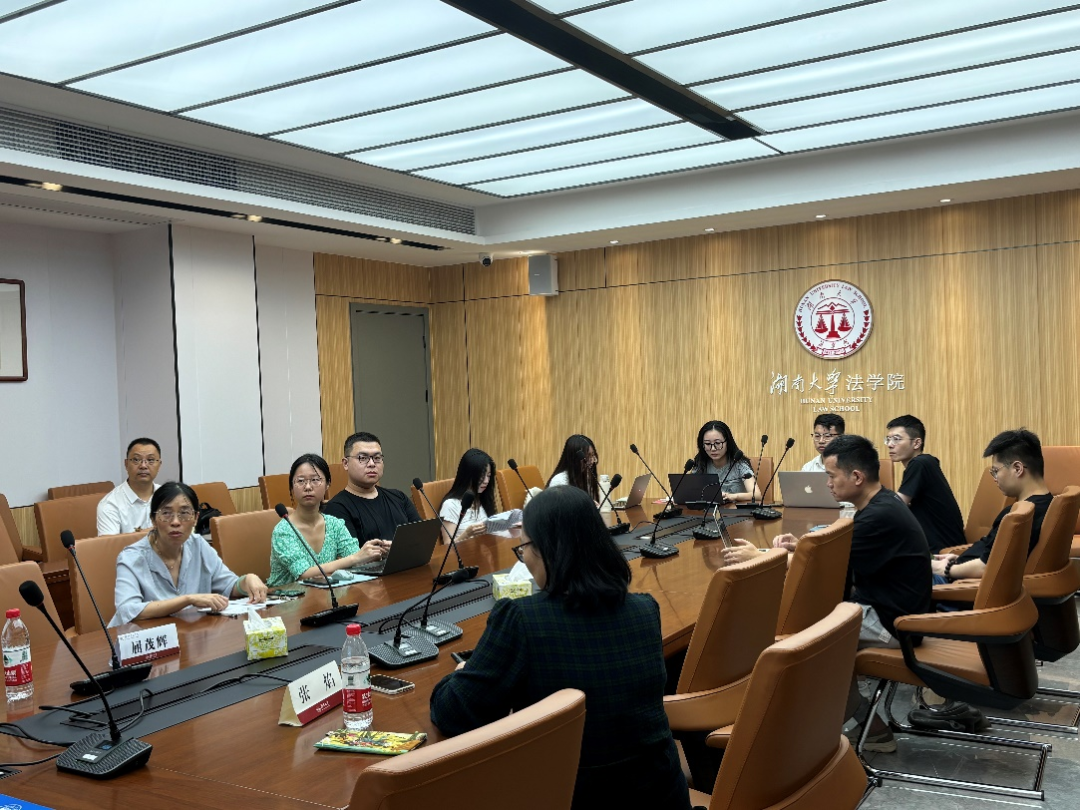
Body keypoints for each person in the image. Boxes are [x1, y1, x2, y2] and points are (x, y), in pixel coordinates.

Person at [429, 487, 690, 809]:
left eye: (523, 547)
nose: (524, 558)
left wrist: (463, 672)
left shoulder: (522, 619)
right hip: (661, 796)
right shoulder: (645, 610)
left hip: (570, 797)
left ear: (546, 549)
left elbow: (456, 714)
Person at [750, 435, 930, 752]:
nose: (828, 484)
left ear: (856, 477)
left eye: (831, 476)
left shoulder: (879, 516)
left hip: (893, 624)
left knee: (798, 642)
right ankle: (862, 726)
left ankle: (839, 732)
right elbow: (836, 552)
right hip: (887, 611)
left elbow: (820, 565)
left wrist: (758, 556)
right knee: (804, 625)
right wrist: (802, 545)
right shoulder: (881, 503)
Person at [110, 482, 267, 626]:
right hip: (145, 640)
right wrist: (187, 600)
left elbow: (228, 585)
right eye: (166, 513)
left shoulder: (198, 545)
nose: (176, 522)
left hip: (188, 634)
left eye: (184, 513)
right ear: (153, 519)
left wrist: (247, 580)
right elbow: (127, 611)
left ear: (195, 518)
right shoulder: (132, 557)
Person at [933, 429, 1053, 583]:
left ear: (1018, 469)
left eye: (996, 471)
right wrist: (959, 559)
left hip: (963, 583)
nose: (995, 478)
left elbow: (986, 567)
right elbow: (991, 552)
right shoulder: (1047, 505)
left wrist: (945, 569)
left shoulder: (1019, 517)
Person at [269, 453, 389, 586]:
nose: (308, 487)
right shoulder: (284, 530)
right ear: (292, 487)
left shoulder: (334, 524)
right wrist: (355, 558)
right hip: (286, 596)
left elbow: (358, 559)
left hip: (324, 594)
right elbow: (304, 574)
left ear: (327, 484)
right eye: (301, 481)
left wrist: (379, 552)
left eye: (315, 480)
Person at [323, 431, 423, 546]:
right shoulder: (336, 508)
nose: (371, 464)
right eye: (363, 458)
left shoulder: (399, 497)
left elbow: (421, 537)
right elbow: (351, 554)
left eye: (377, 458)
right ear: (346, 463)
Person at [886, 415, 966, 553]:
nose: (890, 444)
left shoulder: (920, 463)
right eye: (888, 439)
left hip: (940, 552)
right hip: (931, 546)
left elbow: (897, 505)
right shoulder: (924, 464)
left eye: (896, 439)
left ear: (916, 443)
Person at [97, 437, 163, 535]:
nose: (143, 466)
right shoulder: (110, 505)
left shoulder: (167, 496)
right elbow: (110, 544)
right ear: (126, 464)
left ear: (159, 465)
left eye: (150, 460)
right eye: (136, 460)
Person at [439, 448, 503, 541]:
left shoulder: (482, 499)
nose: (486, 481)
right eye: (482, 475)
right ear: (468, 475)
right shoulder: (451, 505)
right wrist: (467, 534)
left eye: (488, 476)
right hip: (463, 550)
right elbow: (447, 547)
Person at [691, 420, 760, 504]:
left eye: (717, 443)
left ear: (728, 442)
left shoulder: (739, 464)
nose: (713, 449)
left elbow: (757, 495)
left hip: (735, 510)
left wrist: (733, 496)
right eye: (708, 444)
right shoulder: (701, 464)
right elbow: (690, 493)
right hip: (708, 511)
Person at [547, 434, 600, 503]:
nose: (592, 461)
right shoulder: (559, 482)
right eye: (588, 456)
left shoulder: (586, 476)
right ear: (575, 458)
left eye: (592, 455)